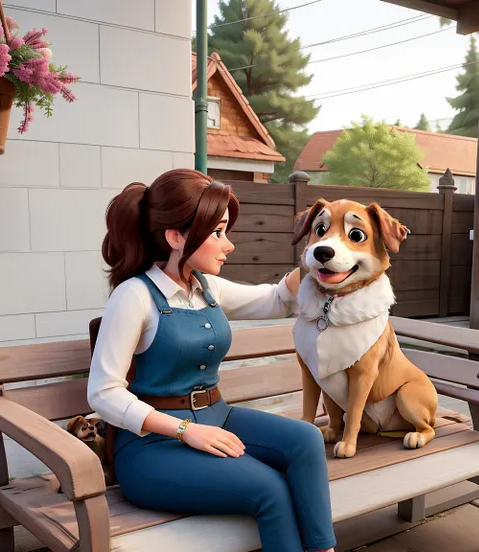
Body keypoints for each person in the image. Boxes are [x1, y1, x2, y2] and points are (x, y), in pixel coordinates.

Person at [87, 168, 337, 552]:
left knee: (306, 439)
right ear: (176, 236)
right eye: (218, 232)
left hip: (216, 417)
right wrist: (187, 431)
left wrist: (318, 257)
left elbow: (273, 299)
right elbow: (103, 394)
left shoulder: (206, 287)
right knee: (269, 488)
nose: (229, 244)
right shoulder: (134, 296)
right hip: (151, 447)